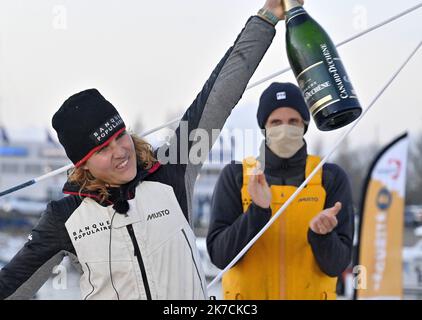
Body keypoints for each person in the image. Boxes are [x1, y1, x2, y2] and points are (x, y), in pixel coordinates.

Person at [0, 1, 291, 300]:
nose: (119, 152)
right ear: (83, 164)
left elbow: (220, 93)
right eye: (102, 149)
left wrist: (266, 18)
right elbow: (11, 287)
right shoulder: (66, 217)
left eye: (119, 136)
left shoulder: (171, 170)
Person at [206, 82, 355, 300]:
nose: (285, 129)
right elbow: (220, 257)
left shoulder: (330, 178)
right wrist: (257, 211)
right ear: (264, 126)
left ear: (304, 124)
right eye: (276, 122)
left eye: (293, 121)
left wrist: (322, 236)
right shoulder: (236, 176)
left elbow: (337, 265)